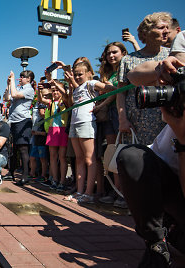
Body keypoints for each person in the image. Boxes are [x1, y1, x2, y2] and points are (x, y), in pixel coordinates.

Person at [117, 32, 185, 267]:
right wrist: (162, 69)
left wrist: (182, 137)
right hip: (166, 170)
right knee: (131, 156)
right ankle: (156, 242)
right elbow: (134, 75)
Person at [63, 60, 116, 204]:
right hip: (74, 123)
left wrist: (101, 105)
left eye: (80, 74)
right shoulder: (77, 87)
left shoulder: (91, 84)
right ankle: (80, 192)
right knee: (79, 159)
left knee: (89, 159)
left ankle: (89, 193)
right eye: (76, 74)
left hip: (87, 122)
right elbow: (71, 101)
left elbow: (113, 89)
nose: (78, 77)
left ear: (88, 74)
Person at [117, 12, 172, 146]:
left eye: (167, 27)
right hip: (136, 123)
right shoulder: (128, 60)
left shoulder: (172, 55)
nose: (166, 31)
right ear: (146, 32)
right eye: (161, 27)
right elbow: (121, 93)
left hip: (167, 122)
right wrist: (122, 119)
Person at [96, 42, 129, 208]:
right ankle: (116, 192)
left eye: (114, 52)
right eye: (108, 53)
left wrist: (100, 105)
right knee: (112, 153)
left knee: (123, 152)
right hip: (109, 114)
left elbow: (116, 92)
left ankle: (126, 194)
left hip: (122, 113)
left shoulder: (128, 67)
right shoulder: (108, 74)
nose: (111, 56)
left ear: (123, 53)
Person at [4, 70, 35, 184]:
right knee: (13, 148)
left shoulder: (29, 89)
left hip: (23, 121)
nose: (20, 78)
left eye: (23, 77)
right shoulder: (19, 88)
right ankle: (10, 172)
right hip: (13, 121)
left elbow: (14, 95)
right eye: (20, 76)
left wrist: (12, 80)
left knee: (23, 149)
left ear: (29, 79)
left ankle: (25, 175)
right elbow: (7, 98)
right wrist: (8, 84)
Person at [37, 80, 69, 191]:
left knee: (62, 157)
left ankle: (62, 181)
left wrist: (58, 87)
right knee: (53, 157)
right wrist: (39, 90)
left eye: (57, 90)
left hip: (63, 130)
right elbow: (40, 99)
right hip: (52, 130)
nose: (55, 92)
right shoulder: (51, 103)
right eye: (53, 90)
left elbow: (66, 95)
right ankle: (54, 180)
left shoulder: (65, 100)